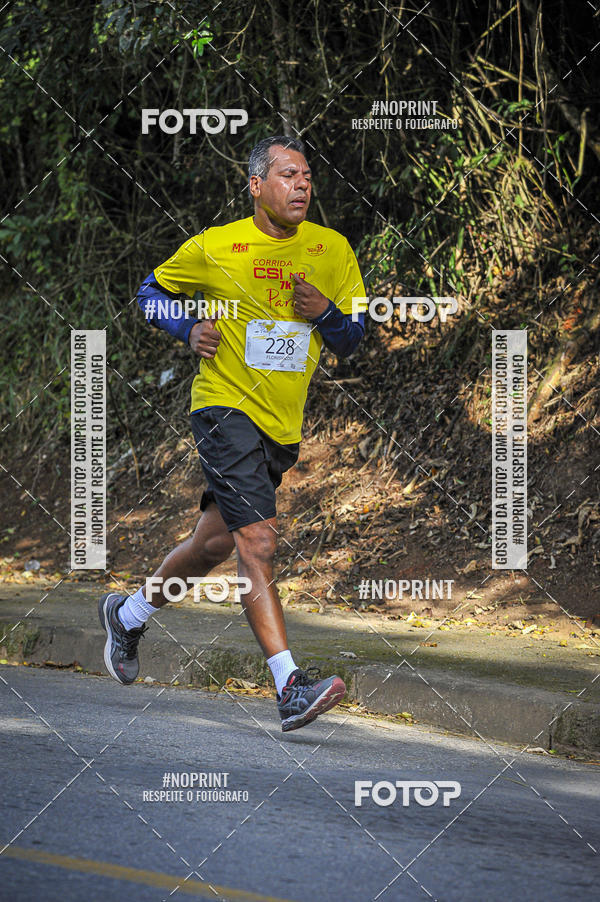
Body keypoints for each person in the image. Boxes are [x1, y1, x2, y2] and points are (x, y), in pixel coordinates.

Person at [98, 135, 366, 731]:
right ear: (256, 186)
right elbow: (149, 293)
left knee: (213, 544)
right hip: (223, 409)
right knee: (258, 543)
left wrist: (325, 311)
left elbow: (354, 339)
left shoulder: (332, 250)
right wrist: (188, 328)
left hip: (280, 426)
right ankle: (289, 686)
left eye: (308, 176)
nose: (302, 185)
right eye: (288, 175)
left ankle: (129, 614)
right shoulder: (216, 246)